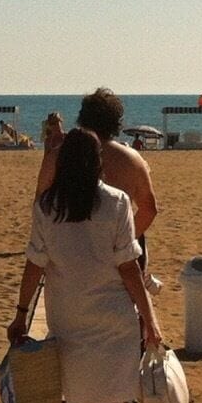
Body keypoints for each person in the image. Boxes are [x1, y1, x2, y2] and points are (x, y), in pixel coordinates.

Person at [7, 128, 164, 403]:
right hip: (113, 316)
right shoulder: (116, 203)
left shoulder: (47, 206)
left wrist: (22, 312)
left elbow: (34, 264)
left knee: (78, 401)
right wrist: (150, 319)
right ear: (98, 164)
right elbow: (129, 267)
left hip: (68, 315)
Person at [35, 89, 160, 284]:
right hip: (116, 254)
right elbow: (149, 210)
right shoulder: (132, 160)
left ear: (82, 119)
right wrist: (123, 242)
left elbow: (40, 204)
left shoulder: (59, 156)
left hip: (70, 250)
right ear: (116, 122)